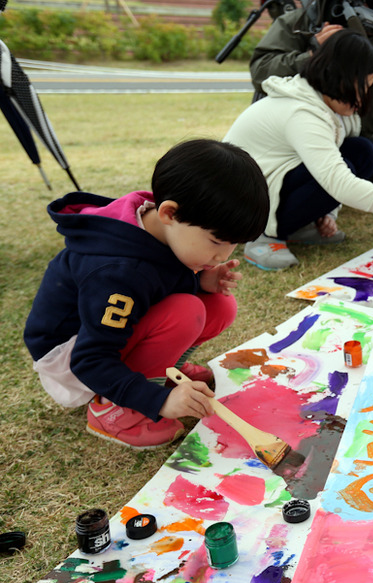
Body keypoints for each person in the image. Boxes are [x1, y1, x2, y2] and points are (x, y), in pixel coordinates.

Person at [23, 139, 270, 449]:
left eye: (233, 245)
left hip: (105, 335)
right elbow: (91, 360)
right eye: (216, 241)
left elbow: (157, 278)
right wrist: (160, 401)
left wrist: (200, 281)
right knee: (184, 312)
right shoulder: (118, 272)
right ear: (169, 212)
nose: (223, 256)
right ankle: (112, 409)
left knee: (219, 305)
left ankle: (161, 370)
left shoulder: (155, 225)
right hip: (73, 360)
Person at [225, 29, 373, 271]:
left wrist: (327, 214)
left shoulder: (328, 106)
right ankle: (261, 237)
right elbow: (339, 182)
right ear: (340, 78)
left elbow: (333, 168)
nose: (365, 96)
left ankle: (297, 227)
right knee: (351, 163)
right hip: (241, 206)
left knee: (361, 151)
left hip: (269, 186)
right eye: (363, 86)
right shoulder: (302, 113)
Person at [250, 0, 373, 209]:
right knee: (329, 177)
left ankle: (351, 191)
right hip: (298, 138)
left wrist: (364, 66)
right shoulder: (297, 24)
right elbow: (260, 74)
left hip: (356, 134)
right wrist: (313, 55)